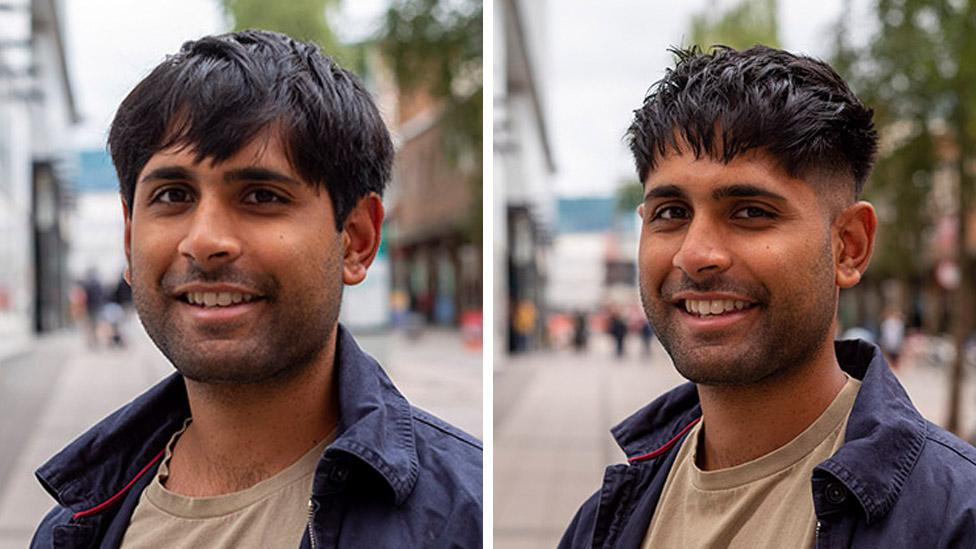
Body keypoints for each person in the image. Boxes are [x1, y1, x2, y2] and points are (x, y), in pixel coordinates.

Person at [31, 30, 481, 548]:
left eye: (261, 196)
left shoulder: (464, 520)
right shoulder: (76, 524)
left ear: (356, 240)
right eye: (173, 195)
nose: (204, 242)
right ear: (129, 237)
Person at [559, 45, 976, 548]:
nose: (695, 255)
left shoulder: (952, 520)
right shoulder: (605, 521)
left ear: (849, 246)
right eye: (671, 212)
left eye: (751, 212)